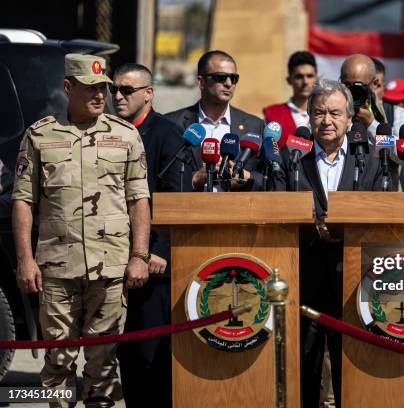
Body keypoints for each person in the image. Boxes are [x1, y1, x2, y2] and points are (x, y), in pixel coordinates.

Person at [11, 54, 151, 407]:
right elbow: (23, 200)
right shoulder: (40, 135)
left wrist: (139, 256)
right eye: (89, 88)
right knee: (57, 360)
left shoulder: (126, 135)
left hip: (111, 267)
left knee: (103, 364)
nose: (100, 95)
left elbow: (139, 199)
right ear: (68, 88)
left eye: (102, 88)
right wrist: (25, 261)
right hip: (57, 269)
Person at [271, 78, 397, 408]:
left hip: (352, 273)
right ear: (308, 117)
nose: (326, 121)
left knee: (350, 365)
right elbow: (277, 205)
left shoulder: (369, 159)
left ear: (351, 118)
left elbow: (381, 210)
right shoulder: (291, 156)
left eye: (335, 114)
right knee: (305, 363)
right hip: (304, 272)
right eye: (319, 113)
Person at [111, 63, 183, 408]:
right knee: (126, 359)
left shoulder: (167, 135)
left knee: (152, 358)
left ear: (148, 93)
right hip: (113, 261)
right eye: (115, 89)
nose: (118, 96)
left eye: (127, 90)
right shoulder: (107, 131)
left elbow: (176, 202)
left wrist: (158, 251)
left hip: (153, 267)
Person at [165, 50, 265, 191]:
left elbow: (271, 179)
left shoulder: (254, 125)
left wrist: (248, 178)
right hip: (188, 209)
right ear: (201, 82)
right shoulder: (172, 124)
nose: (229, 83)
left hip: (238, 210)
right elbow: (161, 176)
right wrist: (194, 178)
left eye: (234, 78)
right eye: (221, 78)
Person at [339, 54, 404, 192]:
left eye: (358, 86)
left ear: (373, 84)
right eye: (346, 85)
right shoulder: (332, 112)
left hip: (384, 201)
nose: (352, 92)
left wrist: (371, 125)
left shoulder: (394, 114)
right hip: (342, 198)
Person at [263, 51, 317, 142]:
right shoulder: (271, 114)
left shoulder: (326, 114)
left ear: (316, 79)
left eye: (310, 76)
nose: (305, 82)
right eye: (299, 76)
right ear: (289, 80)